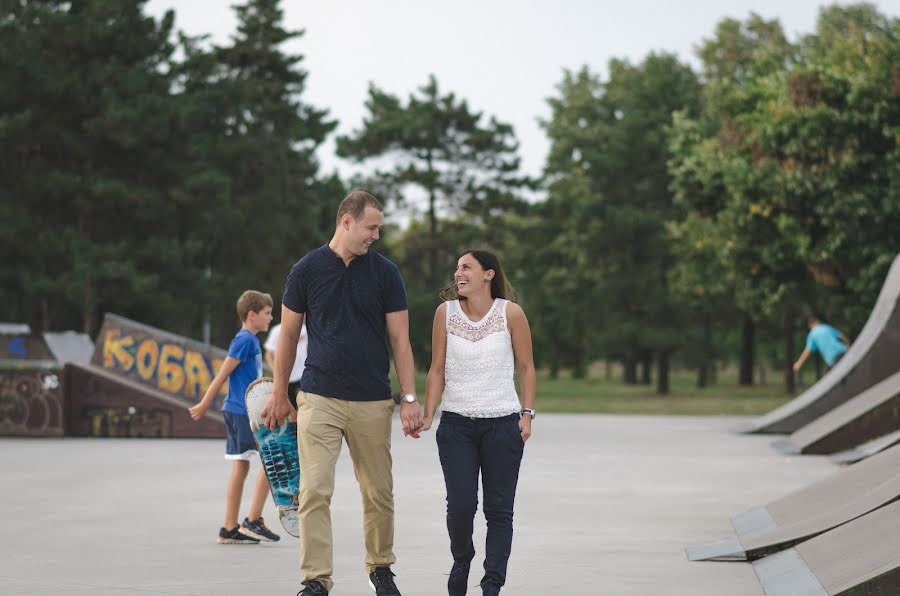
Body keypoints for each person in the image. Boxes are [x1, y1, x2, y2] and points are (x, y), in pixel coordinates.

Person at [261, 191, 422, 596]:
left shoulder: (386, 273)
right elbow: (289, 336)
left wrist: (409, 398)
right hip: (319, 397)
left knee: (379, 492)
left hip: (372, 400)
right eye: (372, 227)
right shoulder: (306, 270)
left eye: (380, 228)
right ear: (346, 221)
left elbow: (400, 341)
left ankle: (380, 570)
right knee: (314, 491)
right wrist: (280, 392)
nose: (377, 235)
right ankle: (315, 580)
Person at [418, 249, 536, 596]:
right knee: (461, 506)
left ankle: (492, 583)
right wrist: (428, 413)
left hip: (503, 425)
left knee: (499, 510)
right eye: (456, 268)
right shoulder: (445, 313)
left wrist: (527, 415)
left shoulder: (511, 314)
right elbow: (437, 369)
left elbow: (527, 367)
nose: (459, 273)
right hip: (456, 426)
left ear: (488, 274)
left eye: (466, 267)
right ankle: (462, 558)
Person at [189, 290, 279, 544]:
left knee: (241, 467)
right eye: (267, 313)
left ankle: (229, 528)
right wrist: (205, 403)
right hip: (242, 411)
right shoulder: (245, 340)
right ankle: (252, 520)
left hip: (238, 409)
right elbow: (223, 374)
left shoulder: (248, 340)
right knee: (271, 460)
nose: (271, 318)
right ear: (252, 315)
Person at [264, 321, 307, 406]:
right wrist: (276, 372)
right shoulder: (276, 330)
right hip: (285, 379)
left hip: (304, 376)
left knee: (305, 408)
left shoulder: (305, 329)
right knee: (289, 410)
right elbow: (268, 354)